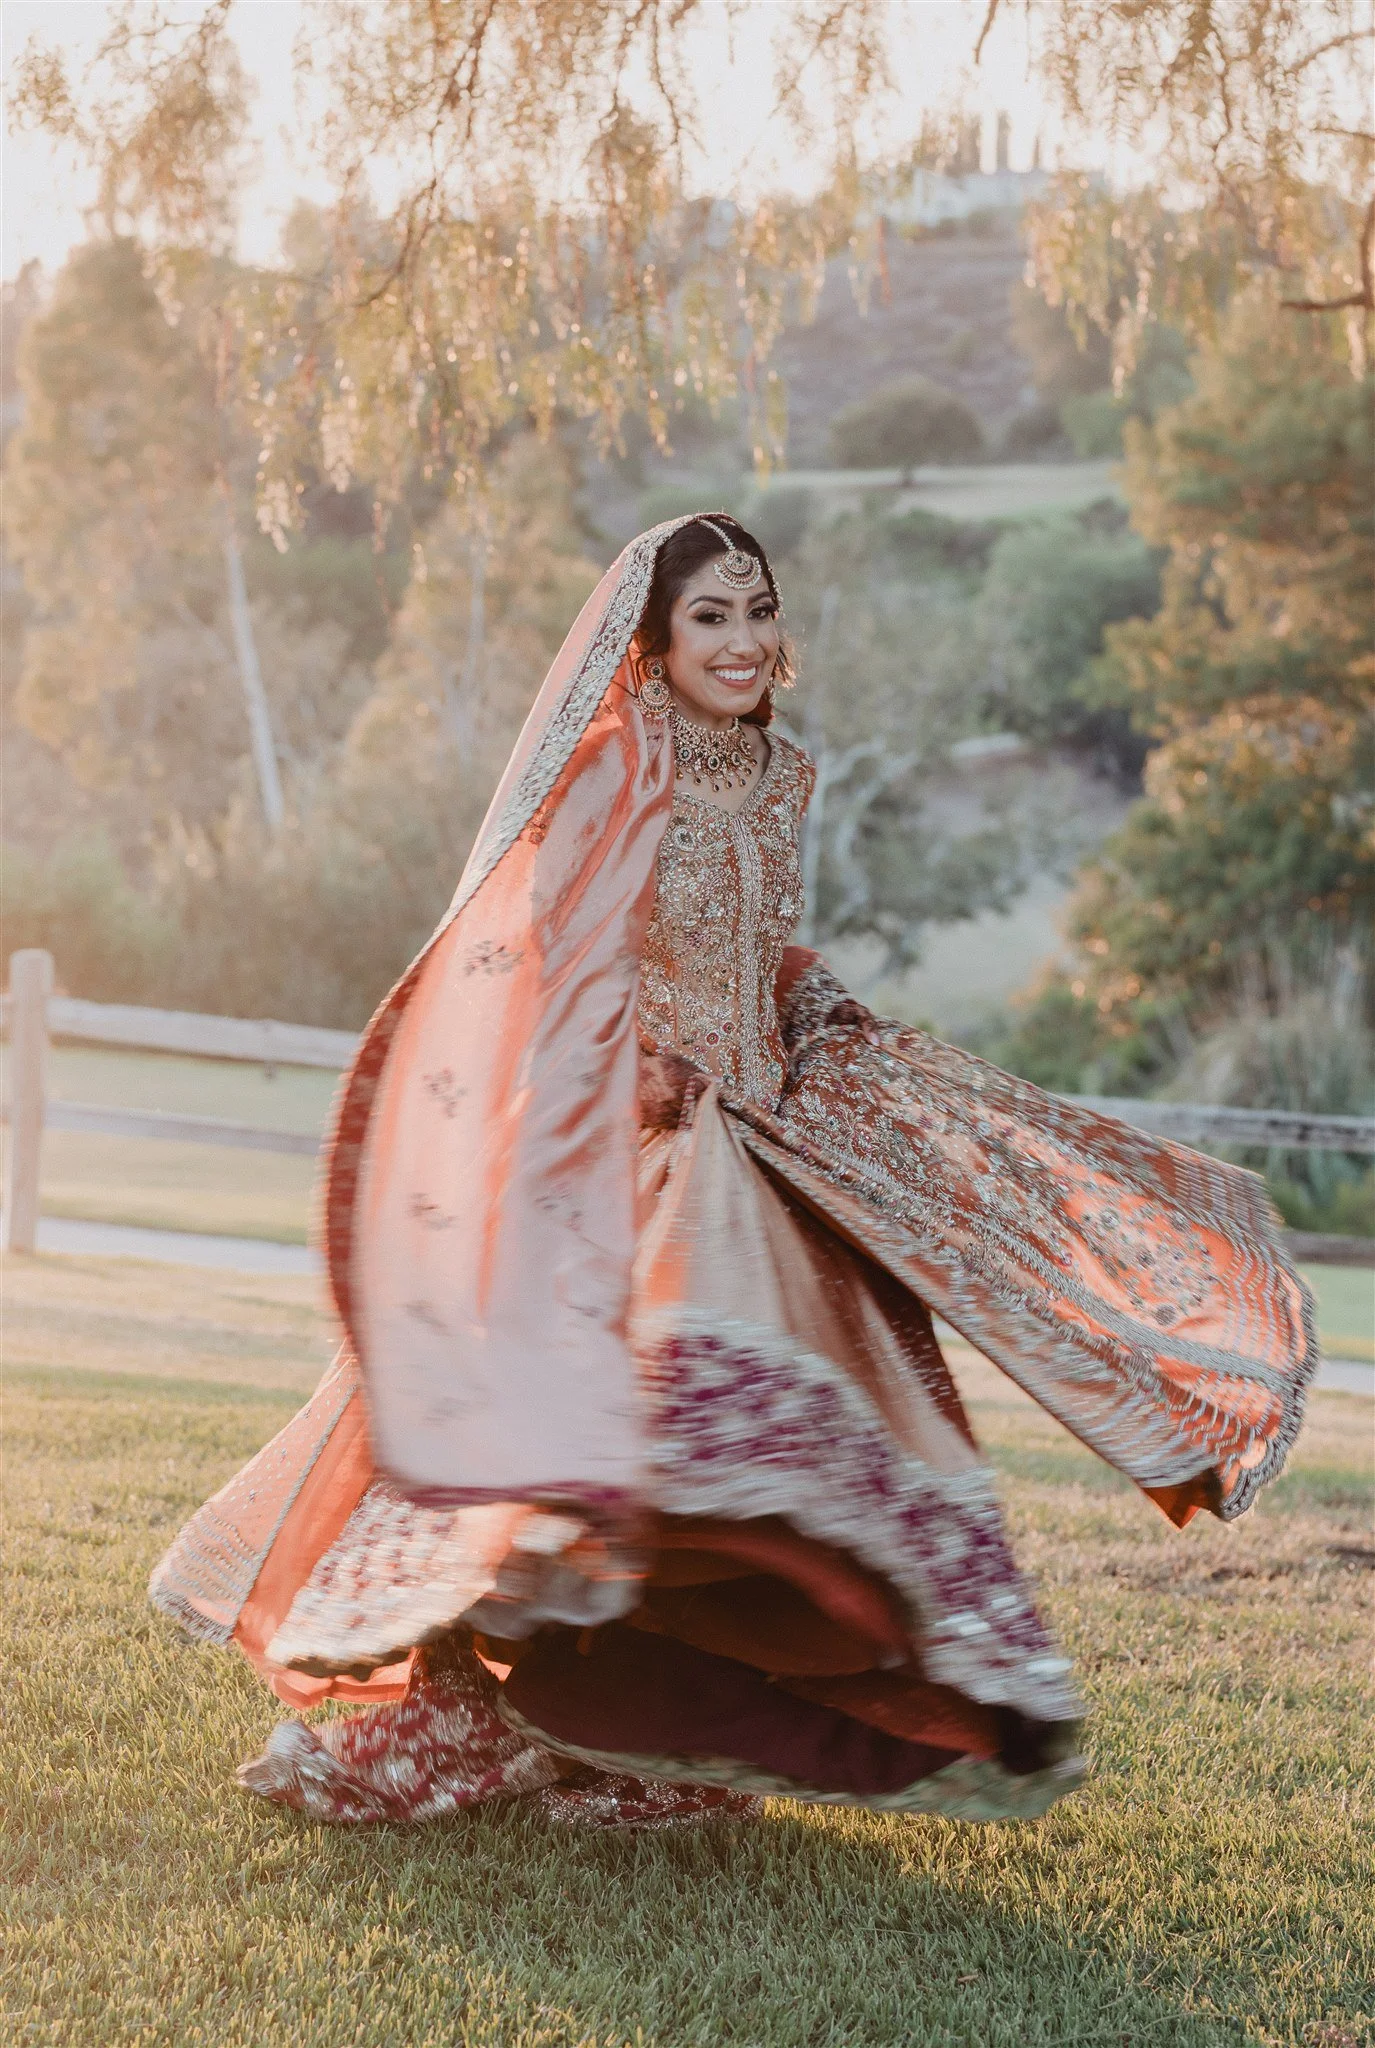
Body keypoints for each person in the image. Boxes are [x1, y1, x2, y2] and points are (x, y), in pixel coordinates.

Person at [151, 513, 1315, 1830]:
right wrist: (636, 1058)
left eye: (758, 610)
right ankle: (453, 1721)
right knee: (575, 1463)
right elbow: (548, 960)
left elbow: (756, 958)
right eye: (710, 615)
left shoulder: (777, 774)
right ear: (650, 637)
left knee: (730, 1483)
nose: (744, 639)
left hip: (752, 1160)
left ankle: (636, 1737)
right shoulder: (610, 764)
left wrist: (814, 1024)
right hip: (610, 1158)